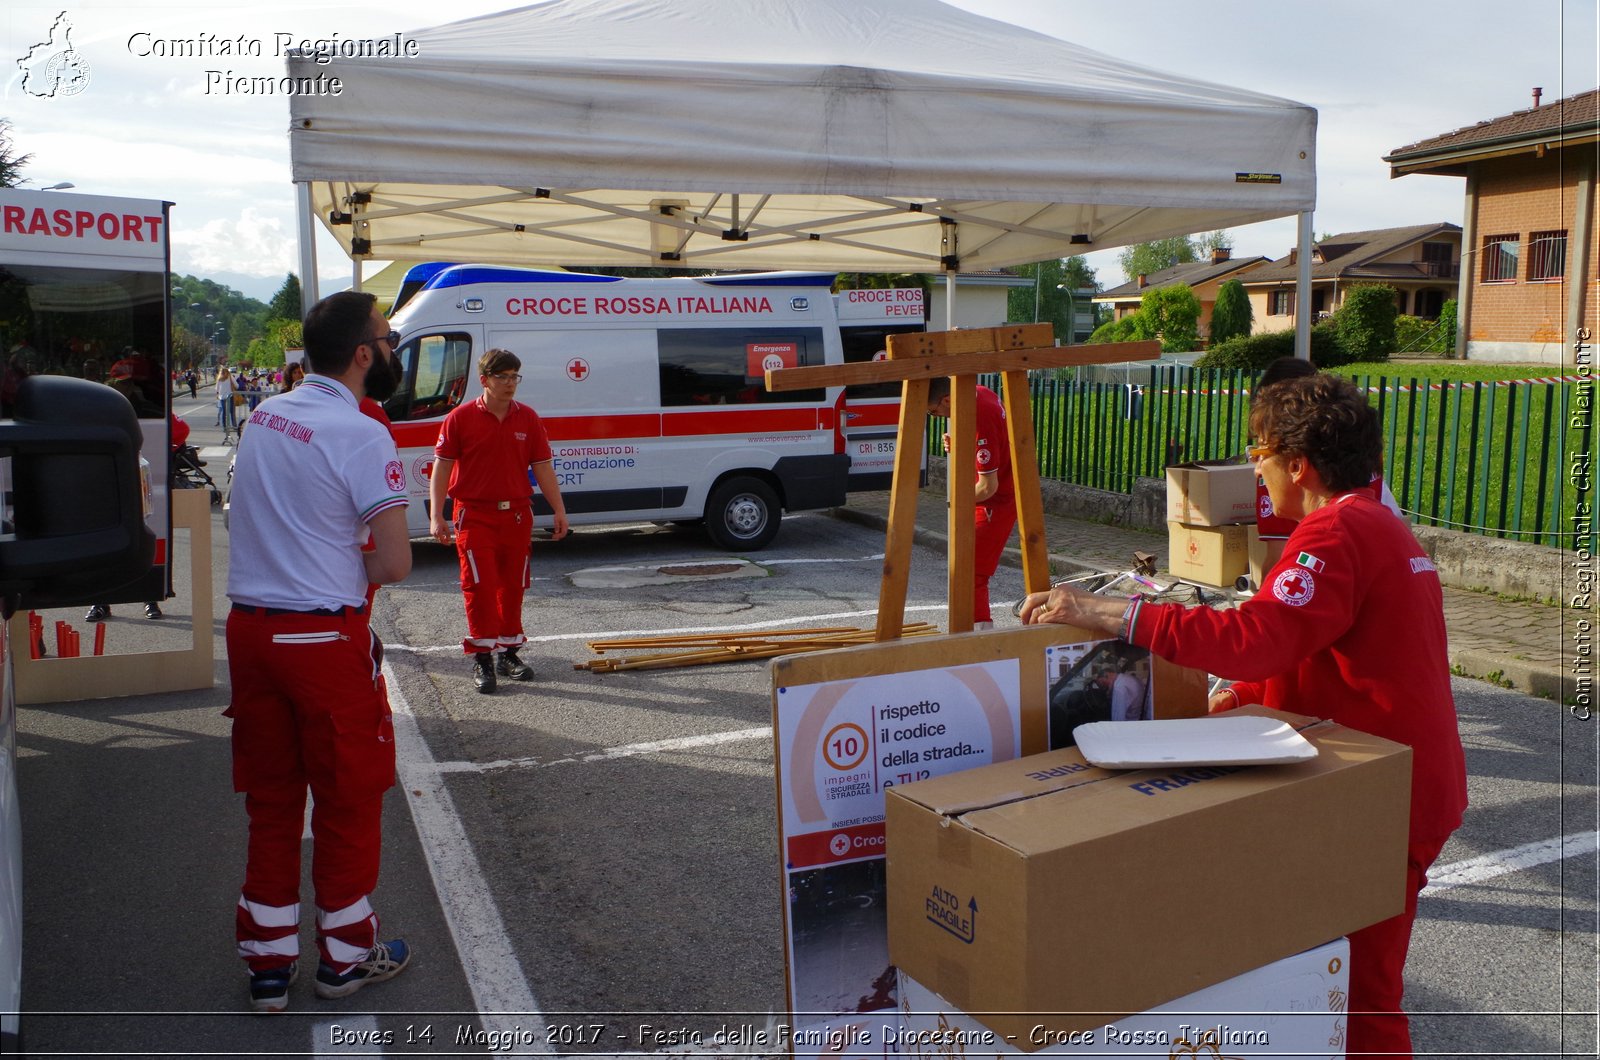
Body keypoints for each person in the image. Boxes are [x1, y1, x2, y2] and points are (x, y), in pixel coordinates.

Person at [1020, 373, 1466, 1058]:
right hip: (1393, 787)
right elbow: (1312, 655)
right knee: (1327, 973)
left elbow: (1259, 636)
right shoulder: (1372, 521)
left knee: (1361, 991)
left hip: (1384, 800)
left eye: (1257, 452)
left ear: (1297, 463)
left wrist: (1110, 611)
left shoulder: (1338, 531)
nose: (1252, 466)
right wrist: (1234, 700)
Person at [224, 290, 412, 1014]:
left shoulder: (267, 414)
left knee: (272, 799)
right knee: (347, 797)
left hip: (251, 633)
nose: (392, 349)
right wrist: (335, 567)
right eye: (388, 339)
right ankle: (346, 956)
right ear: (364, 354)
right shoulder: (360, 430)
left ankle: (268, 965)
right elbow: (393, 563)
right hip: (320, 638)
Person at [429, 349, 569, 693]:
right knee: (479, 585)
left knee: (512, 584)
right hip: (474, 514)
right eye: (502, 377)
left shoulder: (528, 418)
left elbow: (543, 467)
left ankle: (509, 654)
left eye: (514, 377)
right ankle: (482, 659)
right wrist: (437, 515)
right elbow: (442, 466)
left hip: (517, 514)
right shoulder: (460, 418)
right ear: (484, 381)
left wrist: (559, 509)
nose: (509, 384)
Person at [926, 377, 1015, 629]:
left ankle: (978, 636)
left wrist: (954, 501)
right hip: (989, 497)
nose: (937, 416)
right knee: (967, 571)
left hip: (993, 502)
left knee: (970, 573)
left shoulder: (979, 417)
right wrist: (959, 444)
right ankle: (973, 631)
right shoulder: (976, 393)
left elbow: (988, 486)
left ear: (946, 399)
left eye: (934, 412)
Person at [216, 365, 236, 435]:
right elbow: (237, 385)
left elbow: (217, 389)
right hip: (230, 396)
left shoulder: (219, 378)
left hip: (222, 398)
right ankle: (234, 426)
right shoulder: (230, 377)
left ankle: (225, 427)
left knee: (224, 412)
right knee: (232, 412)